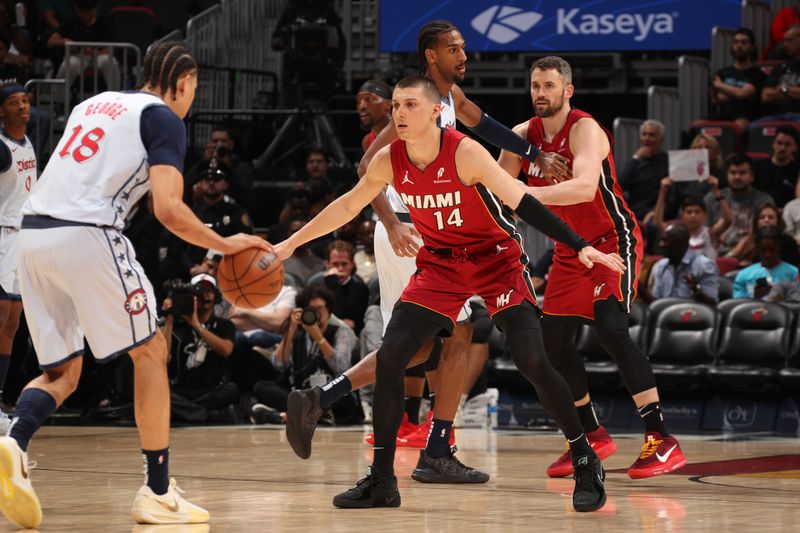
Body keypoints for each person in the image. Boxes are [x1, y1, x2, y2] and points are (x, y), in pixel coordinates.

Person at [279, 76, 623, 512]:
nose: (399, 114)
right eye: (397, 106)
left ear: (432, 112)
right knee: (391, 356)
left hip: (495, 258)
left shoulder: (464, 150)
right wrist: (289, 245)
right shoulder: (389, 158)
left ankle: (584, 458)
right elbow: (348, 205)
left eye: (409, 106)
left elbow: (523, 202)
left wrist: (581, 245)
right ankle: (382, 480)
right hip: (441, 263)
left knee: (533, 361)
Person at [0, 41, 268, 528]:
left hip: (32, 235)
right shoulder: (164, 117)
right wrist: (226, 244)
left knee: (64, 373)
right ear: (183, 83)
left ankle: (13, 441)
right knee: (151, 352)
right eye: (194, 90)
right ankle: (158, 491)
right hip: (88, 232)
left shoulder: (90, 104)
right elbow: (167, 208)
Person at [499, 56, 687, 480]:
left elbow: (584, 187)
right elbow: (496, 193)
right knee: (553, 345)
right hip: (570, 249)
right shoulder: (519, 137)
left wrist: (522, 193)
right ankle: (591, 435)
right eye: (535, 86)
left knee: (611, 329)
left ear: (568, 91)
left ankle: (661, 439)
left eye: (549, 86)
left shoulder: (585, 129)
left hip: (611, 239)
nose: (540, 94)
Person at [254, 285, 358, 419]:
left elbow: (341, 367)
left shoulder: (340, 331)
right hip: (303, 393)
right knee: (261, 387)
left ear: (329, 310)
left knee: (346, 398)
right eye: (312, 310)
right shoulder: (298, 335)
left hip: (331, 394)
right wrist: (290, 330)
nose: (317, 314)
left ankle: (285, 416)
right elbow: (279, 365)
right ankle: (317, 415)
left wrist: (319, 338)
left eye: (320, 308)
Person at [0, 84, 35, 433]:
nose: (22, 107)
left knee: (12, 323)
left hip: (22, 236)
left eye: (24, 101)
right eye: (13, 103)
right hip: (1, 233)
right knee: (0, 317)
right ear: (1, 112)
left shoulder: (27, 143)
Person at [162, 274, 239, 424]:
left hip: (210, 391)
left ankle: (186, 412)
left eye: (209, 290)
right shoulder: (177, 327)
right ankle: (208, 415)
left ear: (216, 295)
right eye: (200, 291)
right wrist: (170, 317)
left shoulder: (225, 325)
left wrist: (197, 326)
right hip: (181, 390)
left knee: (231, 390)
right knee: (159, 393)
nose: (205, 295)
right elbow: (163, 358)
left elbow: (226, 350)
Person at [704, 153, 775, 256]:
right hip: (713, 254)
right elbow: (702, 233)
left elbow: (759, 236)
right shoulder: (711, 198)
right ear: (727, 175)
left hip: (748, 256)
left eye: (742, 173)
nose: (737, 177)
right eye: (733, 173)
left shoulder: (764, 201)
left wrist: (731, 256)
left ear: (752, 176)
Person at [48, 0, 120, 91]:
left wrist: (93, 52)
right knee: (70, 64)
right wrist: (66, 42)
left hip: (99, 56)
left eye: (88, 11)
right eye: (82, 11)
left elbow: (112, 48)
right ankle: (59, 100)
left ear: (95, 9)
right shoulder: (70, 21)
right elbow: (51, 41)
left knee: (110, 62)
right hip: (78, 56)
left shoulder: (105, 21)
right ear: (76, 9)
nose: (85, 15)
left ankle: (116, 96)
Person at [641, 224, 719, 305]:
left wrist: (696, 291)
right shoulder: (661, 266)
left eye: (665, 240)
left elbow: (713, 304)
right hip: (665, 315)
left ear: (680, 243)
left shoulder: (704, 266)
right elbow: (656, 304)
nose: (661, 245)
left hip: (695, 316)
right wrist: (636, 285)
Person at [654, 180, 730, 261]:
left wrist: (716, 192)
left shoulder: (710, 234)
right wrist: (663, 192)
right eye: (689, 212)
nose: (693, 216)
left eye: (697, 212)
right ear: (682, 215)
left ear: (705, 215)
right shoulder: (675, 233)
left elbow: (728, 220)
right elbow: (658, 223)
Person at [186, 125, 254, 208]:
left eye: (223, 141)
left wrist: (226, 166)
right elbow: (185, 187)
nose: (218, 145)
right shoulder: (201, 165)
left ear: (231, 145)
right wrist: (205, 163)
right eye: (215, 141)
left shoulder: (241, 167)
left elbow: (246, 195)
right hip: (203, 210)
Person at [711, 28, 765, 129]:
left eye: (744, 42)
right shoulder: (722, 72)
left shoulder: (758, 74)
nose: (739, 46)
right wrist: (738, 93)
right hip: (722, 116)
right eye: (735, 42)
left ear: (752, 47)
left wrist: (720, 86)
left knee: (738, 126)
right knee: (696, 125)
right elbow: (716, 98)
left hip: (747, 118)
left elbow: (742, 94)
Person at [617, 119, 669, 224]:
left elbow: (671, 197)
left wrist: (654, 212)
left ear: (661, 139)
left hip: (657, 212)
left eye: (652, 135)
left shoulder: (667, 162)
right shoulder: (635, 161)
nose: (647, 138)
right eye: (644, 134)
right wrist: (635, 158)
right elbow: (619, 186)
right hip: (634, 211)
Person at [733, 227, 799, 299]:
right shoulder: (744, 275)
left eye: (772, 250)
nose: (768, 255)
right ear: (757, 249)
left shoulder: (793, 273)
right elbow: (738, 304)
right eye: (763, 250)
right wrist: (755, 298)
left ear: (780, 248)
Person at [727, 203, 799, 267]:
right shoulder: (749, 240)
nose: (766, 220)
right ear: (756, 222)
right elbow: (732, 258)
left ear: (778, 222)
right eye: (762, 217)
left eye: (771, 217)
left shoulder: (788, 241)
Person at [322, 240, 369, 334]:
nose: (340, 269)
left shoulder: (361, 289)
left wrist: (332, 281)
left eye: (344, 264)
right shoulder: (319, 289)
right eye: (335, 264)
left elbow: (338, 312)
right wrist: (332, 281)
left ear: (352, 264)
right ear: (327, 264)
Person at [759, 24, 800, 121]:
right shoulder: (781, 68)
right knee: (755, 127)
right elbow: (765, 96)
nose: (785, 44)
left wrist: (783, 88)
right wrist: (794, 92)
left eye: (790, 40)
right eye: (784, 41)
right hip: (778, 116)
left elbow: (775, 92)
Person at [753, 125, 799, 208]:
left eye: (787, 144)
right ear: (773, 144)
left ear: (795, 147)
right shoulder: (758, 166)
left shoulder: (797, 170)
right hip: (761, 213)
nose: (782, 148)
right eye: (779, 143)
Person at [357, 79, 391, 151]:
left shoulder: (404, 137)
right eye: (359, 100)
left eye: (368, 99)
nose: (361, 106)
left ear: (387, 104)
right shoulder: (367, 141)